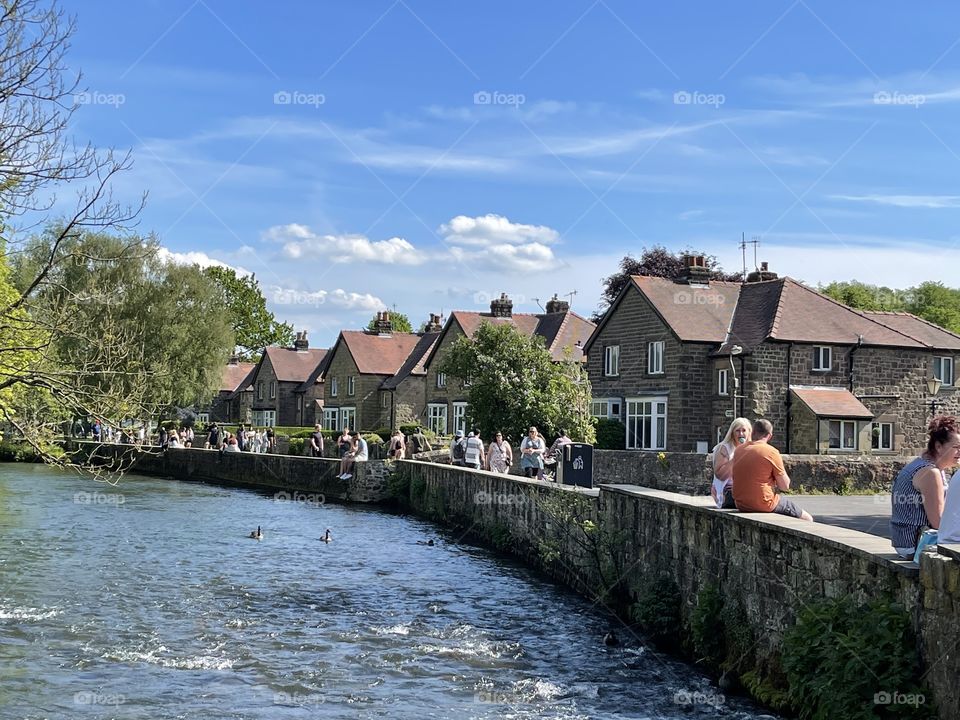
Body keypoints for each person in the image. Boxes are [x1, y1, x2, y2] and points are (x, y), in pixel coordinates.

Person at [890, 415, 960, 559]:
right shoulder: (930, 473)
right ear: (939, 446)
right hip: (916, 544)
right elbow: (938, 522)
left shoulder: (921, 464)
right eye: (957, 447)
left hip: (906, 541)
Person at [732, 419, 813, 522]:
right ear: (769, 435)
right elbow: (784, 486)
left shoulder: (739, 450)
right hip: (764, 503)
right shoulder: (771, 452)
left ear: (752, 433)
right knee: (807, 519)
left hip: (741, 503)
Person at [711, 418, 752, 509]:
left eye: (744, 430)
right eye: (737, 431)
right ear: (732, 433)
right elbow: (720, 475)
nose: (741, 434)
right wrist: (737, 456)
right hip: (728, 491)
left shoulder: (751, 448)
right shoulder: (724, 448)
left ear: (749, 432)